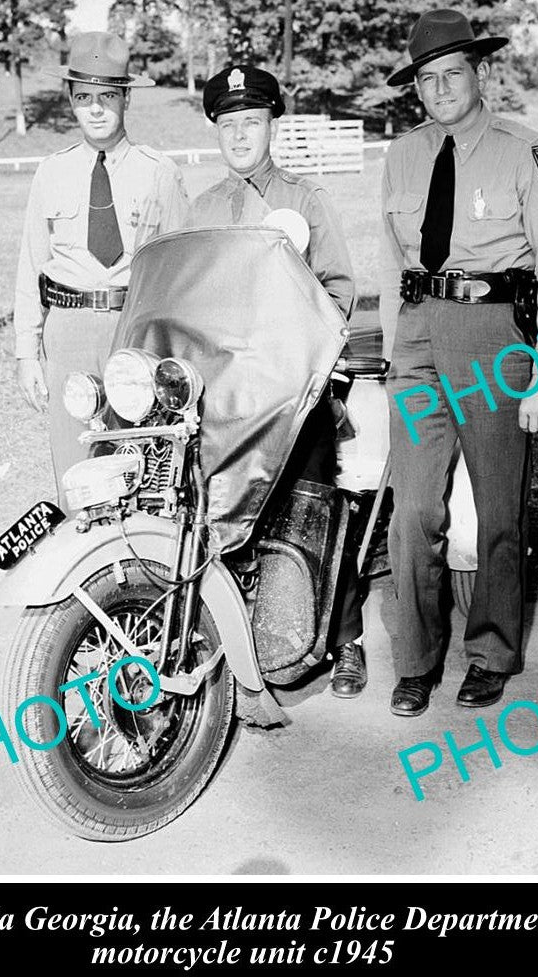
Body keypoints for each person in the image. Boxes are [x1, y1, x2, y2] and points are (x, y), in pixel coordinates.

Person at [379, 9, 538, 716]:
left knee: (497, 506)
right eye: (426, 81)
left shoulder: (524, 150)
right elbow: (389, 261)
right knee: (413, 509)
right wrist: (391, 352)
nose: (439, 91)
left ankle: (490, 652)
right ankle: (416, 660)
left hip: (496, 334)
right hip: (416, 339)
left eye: (451, 75)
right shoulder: (401, 156)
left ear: (478, 74)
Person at [185, 63, 367, 698]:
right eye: (229, 124)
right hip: (224, 399)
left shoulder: (305, 201)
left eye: (252, 123)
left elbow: (341, 288)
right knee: (209, 509)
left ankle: (345, 640)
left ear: (271, 127)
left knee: (315, 502)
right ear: (217, 130)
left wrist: (303, 349)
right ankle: (225, 636)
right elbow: (180, 297)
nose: (240, 136)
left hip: (295, 393)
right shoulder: (201, 209)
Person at [14, 31, 189, 504]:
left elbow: (179, 273)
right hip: (68, 330)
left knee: (140, 465)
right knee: (76, 470)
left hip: (132, 331)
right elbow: (32, 265)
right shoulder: (52, 173)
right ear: (70, 99)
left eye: (108, 96)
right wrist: (27, 353)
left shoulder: (159, 172)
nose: (96, 109)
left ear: (125, 98)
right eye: (85, 97)